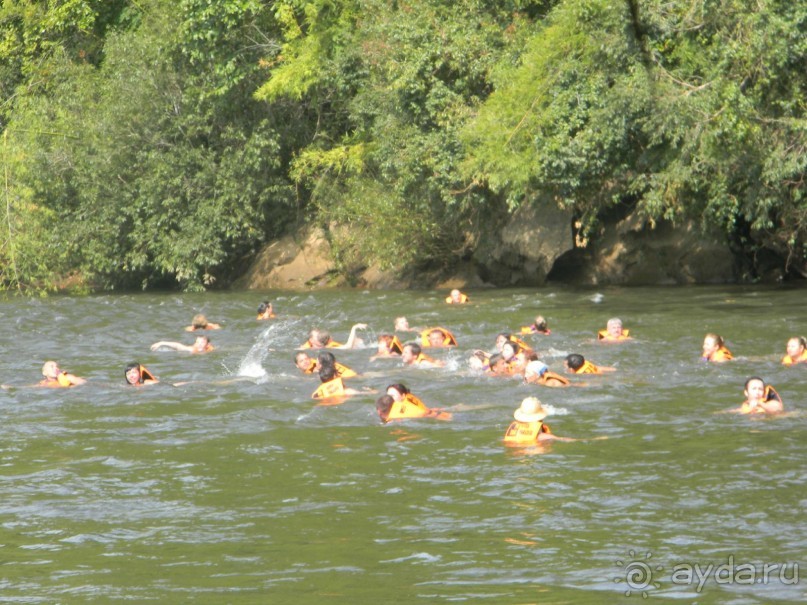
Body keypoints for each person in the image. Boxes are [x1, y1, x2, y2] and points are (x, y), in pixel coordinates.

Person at [382, 383, 451, 421]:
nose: (389, 399)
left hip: (443, 418)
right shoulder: (407, 398)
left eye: (392, 396)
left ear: (403, 396)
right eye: (388, 396)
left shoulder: (403, 406)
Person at [300, 324, 367, 349]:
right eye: (318, 336)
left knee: (358, 342)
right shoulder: (305, 348)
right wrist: (354, 328)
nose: (321, 336)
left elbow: (348, 346)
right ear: (311, 340)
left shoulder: (329, 345)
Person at [150, 335, 215, 354]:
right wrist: (161, 343)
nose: (199, 344)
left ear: (207, 344)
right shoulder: (192, 349)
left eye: (202, 342)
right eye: (198, 342)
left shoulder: (211, 349)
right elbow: (178, 346)